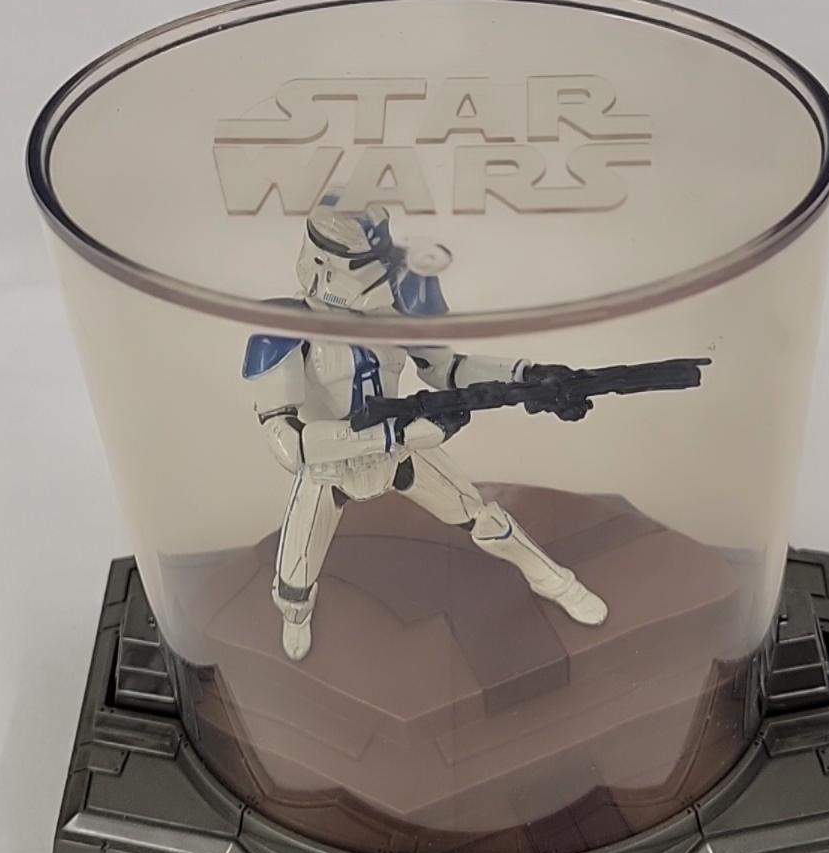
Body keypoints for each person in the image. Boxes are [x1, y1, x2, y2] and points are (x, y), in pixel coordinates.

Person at [243, 204, 608, 661]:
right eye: (367, 266)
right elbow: (288, 444)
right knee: (293, 584)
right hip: (330, 468)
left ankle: (553, 580)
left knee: (481, 515)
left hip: (402, 453)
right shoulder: (282, 333)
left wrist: (526, 376)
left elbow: (448, 370)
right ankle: (296, 615)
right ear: (323, 265)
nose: (384, 278)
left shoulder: (390, 317)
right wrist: (398, 436)